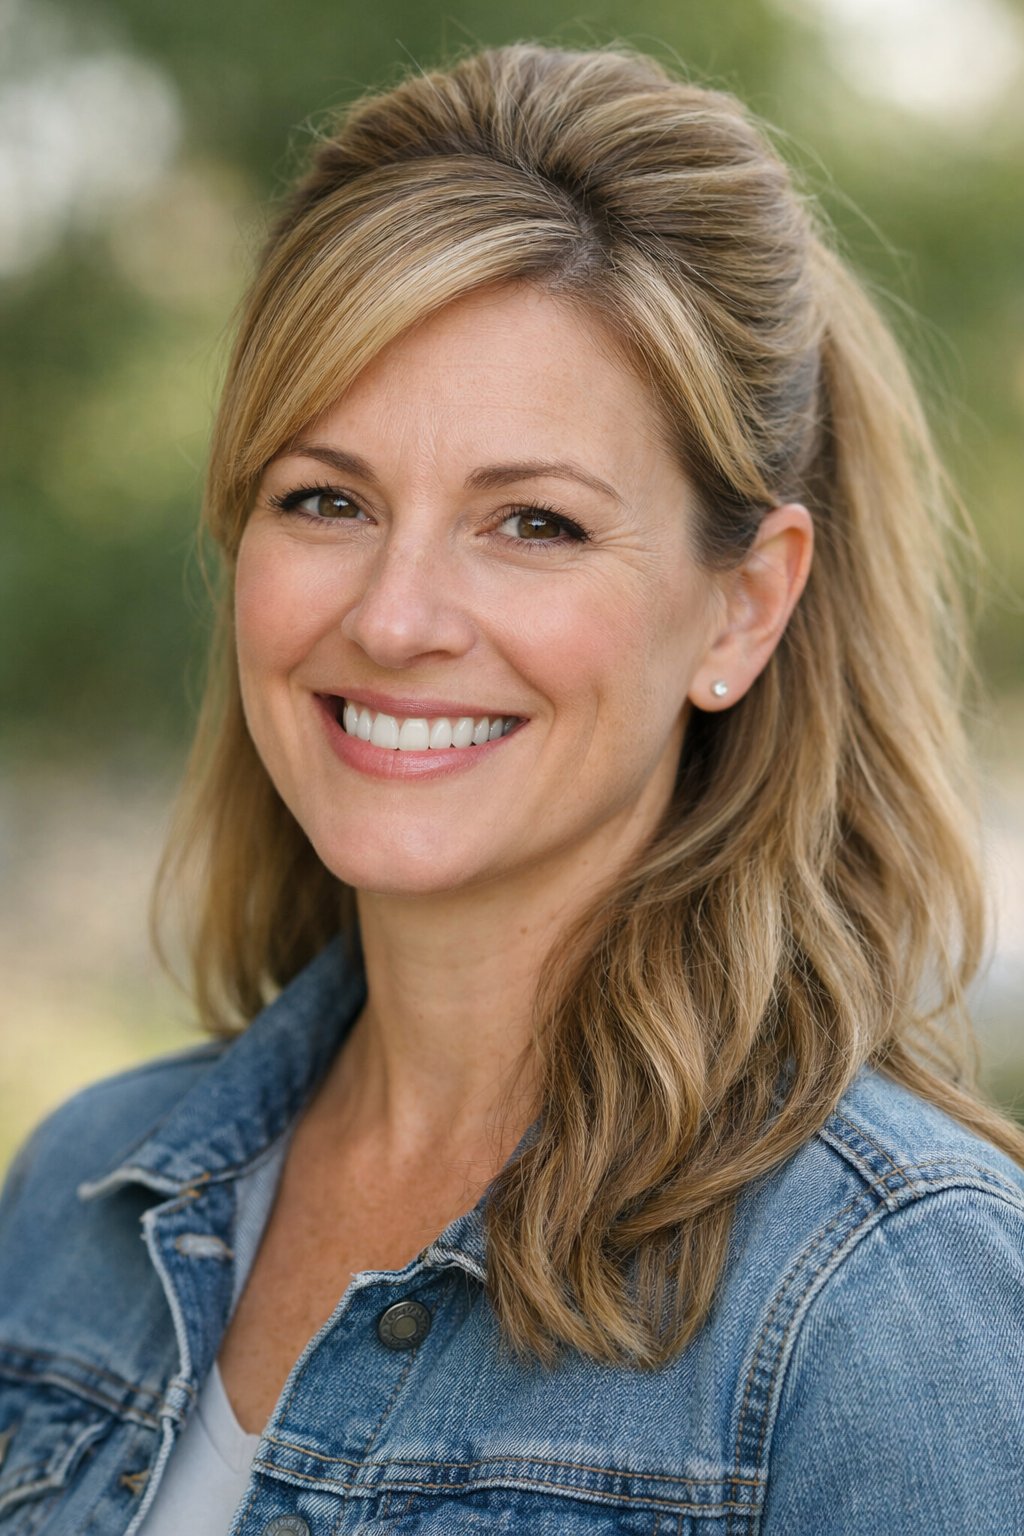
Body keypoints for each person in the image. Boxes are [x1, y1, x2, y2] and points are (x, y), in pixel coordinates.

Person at [1, 40, 1022, 1536]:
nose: (395, 618)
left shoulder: (888, 1299)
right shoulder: (81, 1199)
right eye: (326, 500)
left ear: (742, 608)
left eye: (533, 522)